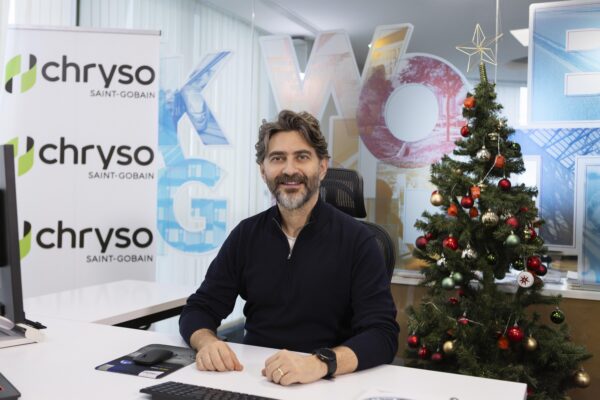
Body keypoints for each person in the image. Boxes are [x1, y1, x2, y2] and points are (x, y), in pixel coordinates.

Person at [179, 109, 399, 386]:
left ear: (322, 167)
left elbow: (382, 334)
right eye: (277, 158)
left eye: (302, 157)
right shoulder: (246, 235)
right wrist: (207, 342)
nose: (290, 170)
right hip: (253, 379)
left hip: (327, 385)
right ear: (263, 171)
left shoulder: (358, 241)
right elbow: (199, 308)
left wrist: (320, 363)